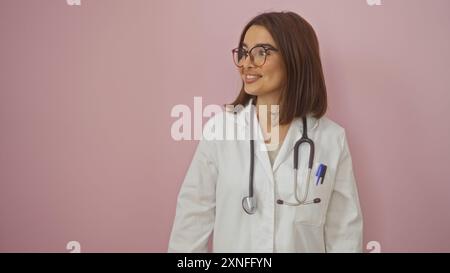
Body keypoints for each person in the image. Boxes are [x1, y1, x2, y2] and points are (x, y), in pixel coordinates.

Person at [168, 11, 363, 252]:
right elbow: (192, 220)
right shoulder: (220, 130)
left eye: (261, 52)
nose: (245, 63)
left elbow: (344, 232)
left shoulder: (331, 139)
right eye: (243, 52)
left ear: (295, 57)